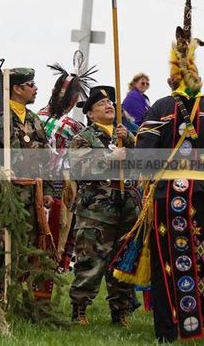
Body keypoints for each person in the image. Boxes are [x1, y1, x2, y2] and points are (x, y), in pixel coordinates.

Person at [134, 25, 204, 345]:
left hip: (168, 198)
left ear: (172, 77)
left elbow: (144, 158)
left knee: (166, 260)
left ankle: (167, 333)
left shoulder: (159, 108)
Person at [0, 68, 53, 291]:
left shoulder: (34, 120)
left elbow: (46, 159)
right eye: (31, 84)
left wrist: (50, 191)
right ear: (16, 88)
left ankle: (7, 303)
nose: (36, 89)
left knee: (21, 254)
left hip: (28, 198)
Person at [69, 85, 139, 327]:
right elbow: (78, 169)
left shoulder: (127, 135)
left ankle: (121, 311)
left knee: (123, 263)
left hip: (127, 209)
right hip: (96, 212)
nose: (109, 106)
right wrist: (108, 158)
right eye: (101, 104)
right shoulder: (83, 137)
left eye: (110, 103)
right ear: (89, 113)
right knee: (90, 261)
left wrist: (130, 141)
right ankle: (79, 309)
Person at [38, 55, 97, 270]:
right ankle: (54, 268)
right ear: (73, 99)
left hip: (37, 182)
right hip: (60, 187)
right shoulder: (74, 126)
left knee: (40, 232)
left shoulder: (36, 116)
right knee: (59, 231)